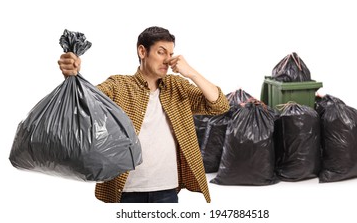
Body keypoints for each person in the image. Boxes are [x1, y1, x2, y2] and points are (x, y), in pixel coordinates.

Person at [58, 26, 230, 203]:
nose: (168, 60)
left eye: (171, 54)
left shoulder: (177, 86)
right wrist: (72, 76)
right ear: (142, 51)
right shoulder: (119, 85)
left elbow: (219, 105)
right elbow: (82, 104)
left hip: (167, 190)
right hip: (126, 190)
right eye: (161, 52)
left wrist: (191, 72)